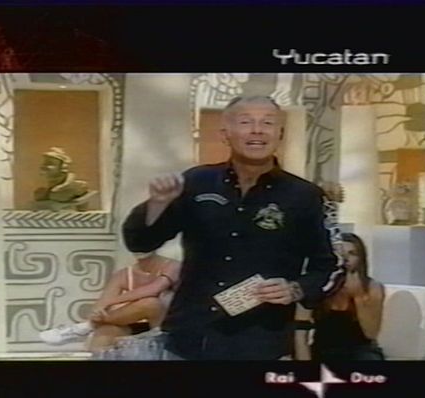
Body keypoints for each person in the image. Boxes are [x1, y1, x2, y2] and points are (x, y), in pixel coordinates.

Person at [122, 95, 344, 360]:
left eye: (268, 123)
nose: (257, 130)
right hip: (191, 334)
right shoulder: (196, 182)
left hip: (261, 338)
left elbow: (332, 266)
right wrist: (157, 204)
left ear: (280, 134)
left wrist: (296, 288)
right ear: (225, 134)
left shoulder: (305, 196)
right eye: (245, 122)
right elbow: (140, 243)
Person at [39, 251, 181, 353]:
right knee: (102, 338)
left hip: (164, 323)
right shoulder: (124, 274)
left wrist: (112, 302)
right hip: (129, 323)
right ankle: (90, 328)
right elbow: (101, 304)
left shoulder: (172, 266)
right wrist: (97, 313)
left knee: (150, 304)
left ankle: (87, 327)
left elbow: (153, 289)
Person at [294, 232, 386, 361]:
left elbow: (371, 333)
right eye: (340, 253)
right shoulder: (315, 286)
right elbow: (300, 333)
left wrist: (358, 296)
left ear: (361, 258)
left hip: (361, 351)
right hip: (323, 350)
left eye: (352, 253)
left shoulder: (372, 287)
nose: (346, 259)